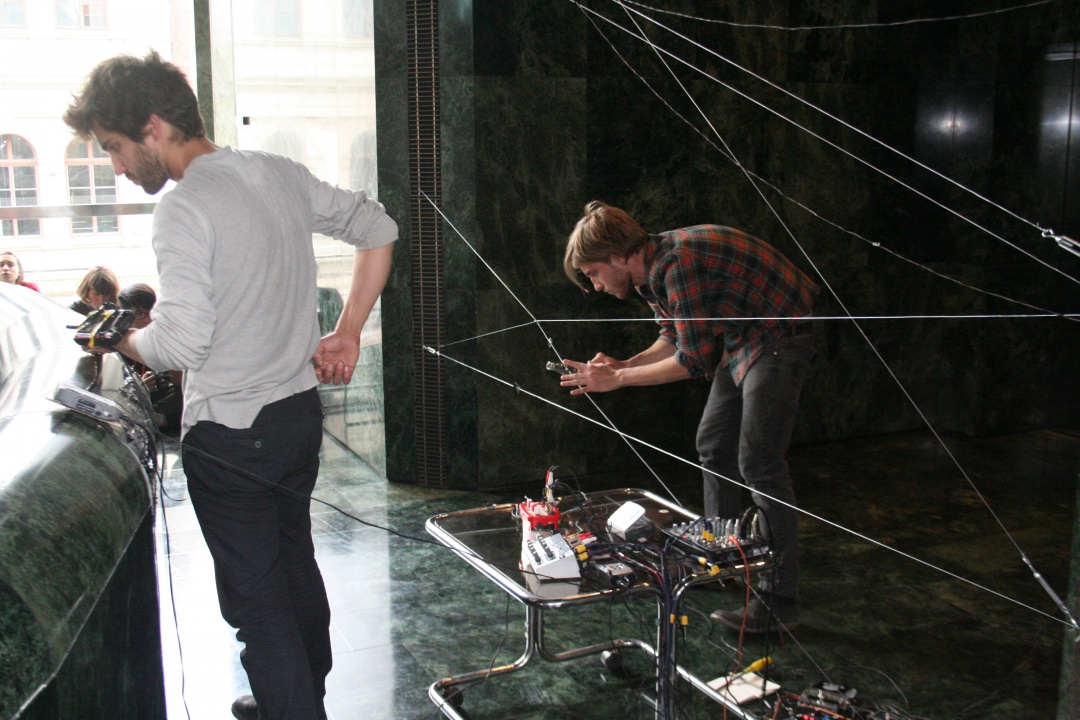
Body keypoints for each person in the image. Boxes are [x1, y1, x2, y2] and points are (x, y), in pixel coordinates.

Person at [64, 51, 397, 720]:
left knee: (258, 606)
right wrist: (348, 331)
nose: (118, 167)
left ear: (153, 126)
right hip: (296, 419)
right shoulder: (274, 171)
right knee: (294, 565)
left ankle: (290, 705)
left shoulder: (183, 207)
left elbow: (182, 344)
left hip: (232, 439)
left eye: (116, 147)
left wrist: (121, 340)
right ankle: (299, 695)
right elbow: (378, 227)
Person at [560, 201, 817, 634]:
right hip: (742, 334)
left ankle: (778, 601)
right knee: (713, 444)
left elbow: (693, 361)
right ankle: (718, 561)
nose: (597, 286)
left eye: (594, 273)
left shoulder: (677, 264)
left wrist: (618, 379)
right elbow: (673, 336)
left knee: (760, 464)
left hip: (779, 333)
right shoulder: (649, 273)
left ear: (618, 257)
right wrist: (623, 365)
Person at [118, 283, 183, 433]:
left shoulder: (166, 334)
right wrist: (140, 387)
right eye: (139, 314)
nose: (148, 319)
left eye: (151, 311)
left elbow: (181, 381)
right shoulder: (120, 344)